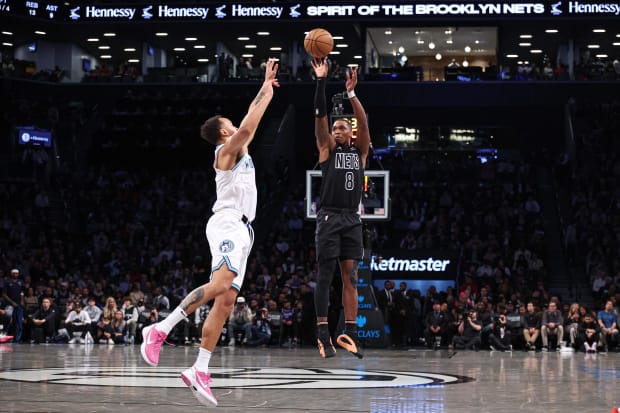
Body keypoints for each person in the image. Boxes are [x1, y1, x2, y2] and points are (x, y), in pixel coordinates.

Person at [140, 58, 279, 407]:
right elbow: (247, 128)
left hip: (245, 229)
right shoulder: (224, 152)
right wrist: (266, 96)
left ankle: (199, 369)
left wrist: (265, 86)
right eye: (231, 125)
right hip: (228, 221)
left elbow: (247, 121)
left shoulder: (238, 148)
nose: (237, 127)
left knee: (227, 300)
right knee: (220, 285)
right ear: (222, 133)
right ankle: (159, 329)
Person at [310, 58, 371, 359]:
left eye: (342, 127)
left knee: (351, 278)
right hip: (330, 216)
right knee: (325, 276)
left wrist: (351, 94)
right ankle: (323, 334)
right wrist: (321, 81)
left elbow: (365, 120)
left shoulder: (360, 153)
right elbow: (320, 116)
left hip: (352, 219)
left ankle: (349, 333)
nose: (336, 130)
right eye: (334, 127)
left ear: (351, 133)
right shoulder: (327, 150)